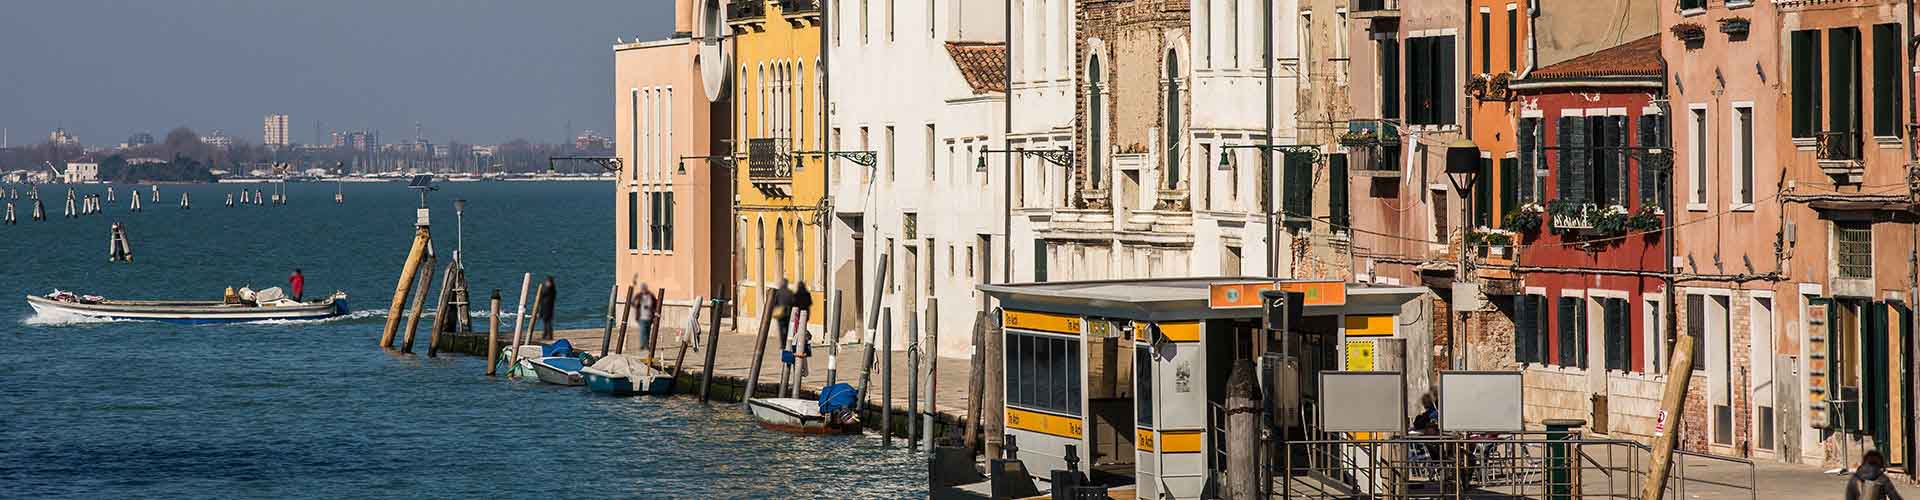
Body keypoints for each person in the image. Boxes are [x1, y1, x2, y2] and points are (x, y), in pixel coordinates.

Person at [769, 278, 792, 347]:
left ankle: (783, 344)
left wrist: (774, 309)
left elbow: (774, 302)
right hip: (788, 313)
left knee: (781, 328)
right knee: (787, 328)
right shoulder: (790, 292)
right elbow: (793, 302)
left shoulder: (778, 292)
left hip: (780, 313)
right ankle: (786, 342)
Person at [634, 283, 657, 349]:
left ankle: (646, 344)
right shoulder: (638, 296)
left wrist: (654, 311)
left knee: (647, 331)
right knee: (642, 331)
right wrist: (637, 304)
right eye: (642, 289)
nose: (643, 290)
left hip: (649, 317)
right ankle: (642, 345)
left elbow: (655, 304)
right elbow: (633, 303)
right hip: (641, 317)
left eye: (644, 288)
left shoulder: (651, 295)